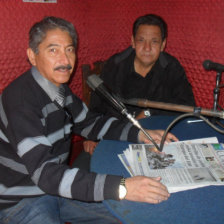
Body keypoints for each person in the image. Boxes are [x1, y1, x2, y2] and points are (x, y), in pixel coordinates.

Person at [0, 16, 178, 224]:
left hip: (55, 189)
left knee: (126, 216)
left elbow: (91, 123)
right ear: (32, 55)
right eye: (53, 50)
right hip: (20, 200)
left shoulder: (60, 91)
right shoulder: (20, 101)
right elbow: (46, 174)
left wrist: (139, 134)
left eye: (69, 50)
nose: (65, 60)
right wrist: (122, 186)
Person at [84, 13, 195, 155]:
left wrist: (149, 112)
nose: (147, 48)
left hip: (157, 135)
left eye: (154, 41)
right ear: (132, 41)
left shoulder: (172, 67)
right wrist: (90, 136)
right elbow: (96, 105)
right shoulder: (114, 65)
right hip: (117, 135)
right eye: (141, 40)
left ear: (163, 44)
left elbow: (187, 104)